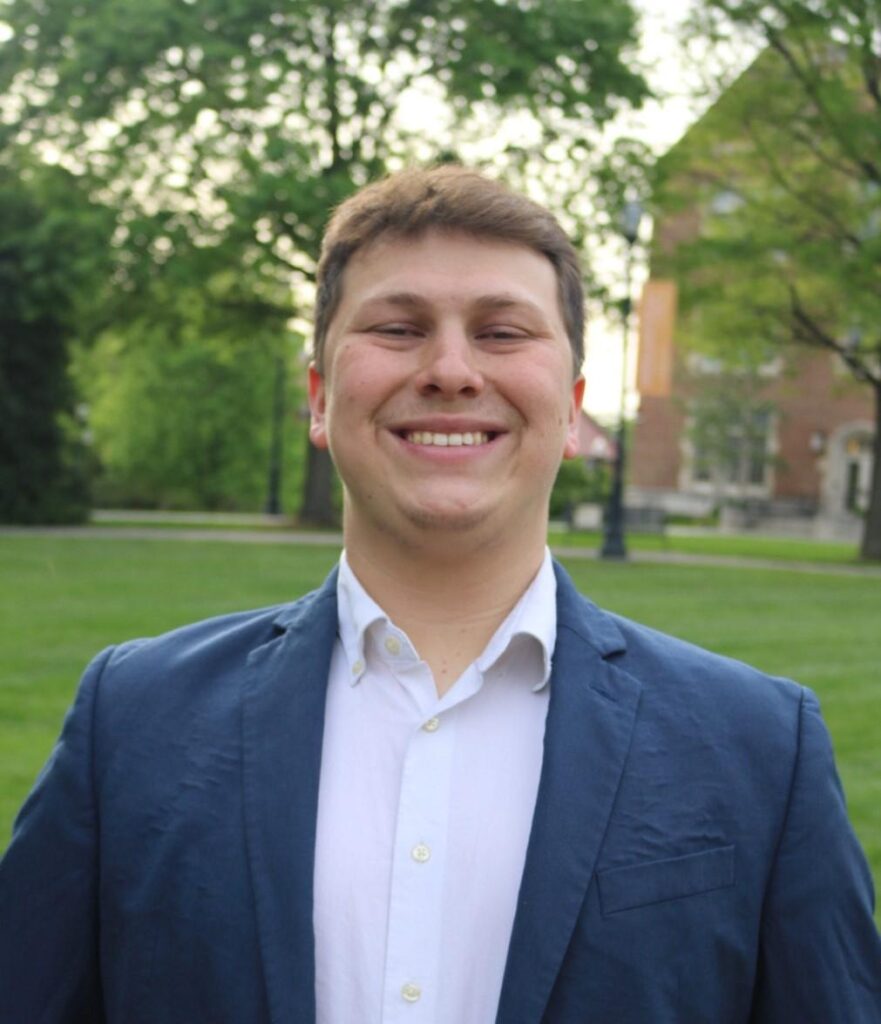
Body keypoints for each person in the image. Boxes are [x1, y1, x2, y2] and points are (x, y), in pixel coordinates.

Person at [1, 166, 879, 1024]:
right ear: (319, 396)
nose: (451, 369)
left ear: (573, 410)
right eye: (397, 327)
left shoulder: (760, 747)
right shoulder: (135, 719)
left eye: (502, 333)